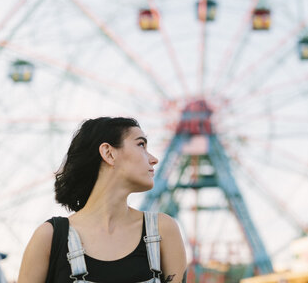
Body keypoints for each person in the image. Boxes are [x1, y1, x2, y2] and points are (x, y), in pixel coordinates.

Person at [17, 117, 187, 283]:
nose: (154, 159)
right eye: (141, 144)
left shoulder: (162, 230)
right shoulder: (50, 237)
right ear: (108, 153)